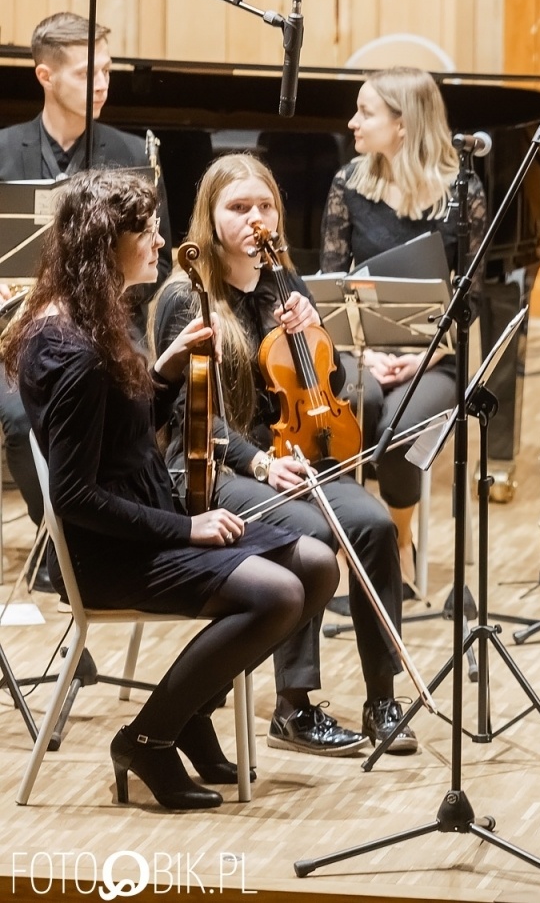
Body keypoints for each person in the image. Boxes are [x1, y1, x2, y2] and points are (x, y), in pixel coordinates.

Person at [1, 168, 335, 810]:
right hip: (114, 551)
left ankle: (190, 715)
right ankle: (150, 738)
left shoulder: (92, 320)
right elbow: (72, 496)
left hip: (147, 517)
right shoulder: (71, 350)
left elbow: (120, 437)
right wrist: (189, 528)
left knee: (317, 564)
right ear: (106, 244)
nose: (160, 240)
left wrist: (161, 373)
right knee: (278, 594)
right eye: (146, 230)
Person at [153, 153, 412, 757]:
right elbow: (190, 417)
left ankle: (382, 698)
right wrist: (260, 463)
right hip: (213, 468)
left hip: (292, 459)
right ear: (210, 219)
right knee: (312, 533)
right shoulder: (186, 297)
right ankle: (293, 709)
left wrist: (312, 330)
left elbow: (331, 378)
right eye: (238, 208)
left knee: (374, 526)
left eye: (264, 206)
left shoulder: (285, 284)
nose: (255, 220)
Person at [0, 12, 175, 530]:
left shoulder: (130, 154)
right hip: (17, 331)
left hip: (106, 324)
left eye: (106, 71)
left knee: (141, 402)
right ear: (44, 76)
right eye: (85, 73)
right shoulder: (4, 152)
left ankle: (127, 523)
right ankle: (62, 535)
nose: (101, 85)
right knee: (17, 418)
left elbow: (157, 263)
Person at [321, 66, 487, 596]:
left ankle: (397, 542)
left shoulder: (463, 193)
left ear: (404, 124)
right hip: (359, 352)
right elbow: (330, 284)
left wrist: (425, 359)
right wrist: (361, 354)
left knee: (397, 432)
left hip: (432, 360)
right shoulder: (349, 183)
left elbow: (472, 297)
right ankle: (352, 544)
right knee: (352, 408)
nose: (352, 122)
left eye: (365, 112)